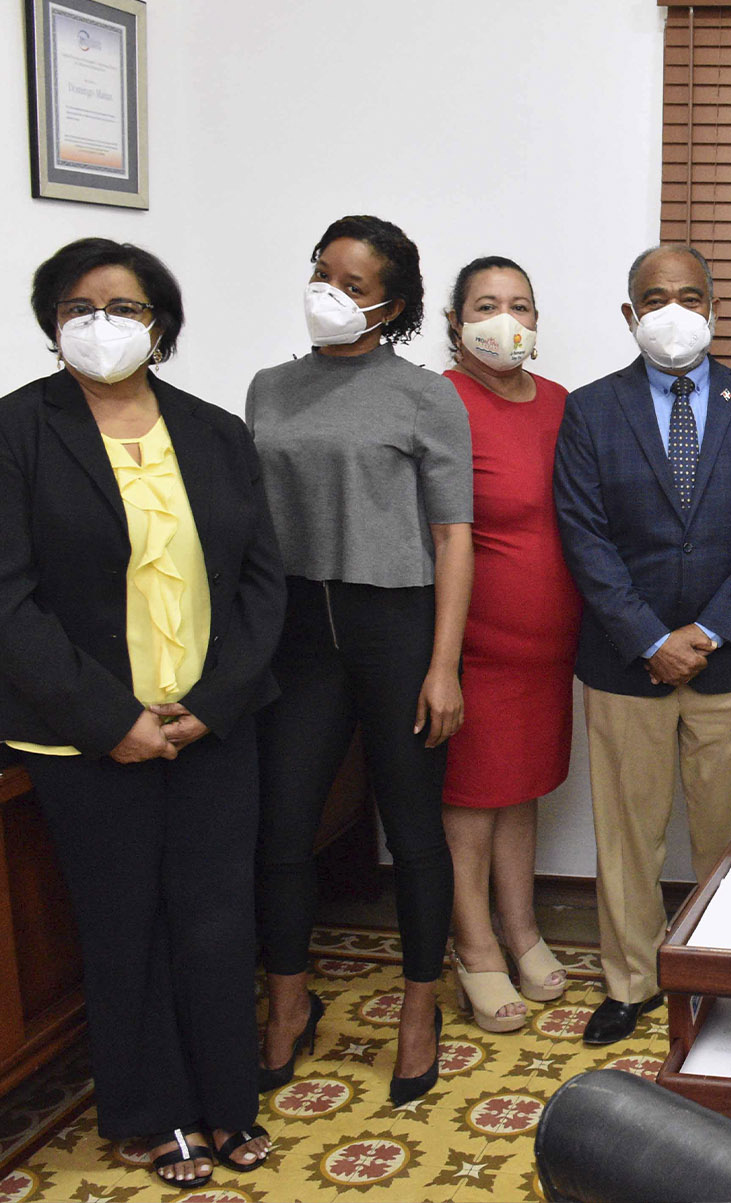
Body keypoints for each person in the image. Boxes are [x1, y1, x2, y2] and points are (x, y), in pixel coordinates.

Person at [0, 239, 284, 1186]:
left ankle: (226, 1102)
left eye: (124, 307)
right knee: (124, 921)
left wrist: (212, 702)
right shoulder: (16, 431)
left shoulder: (212, 431)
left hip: (211, 724)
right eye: (81, 306)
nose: (102, 323)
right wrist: (108, 717)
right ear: (51, 321)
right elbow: (10, 599)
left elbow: (258, 581)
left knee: (214, 915)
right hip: (83, 734)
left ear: (159, 324)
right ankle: (148, 1112)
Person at [248, 215, 473, 1105]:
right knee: (283, 825)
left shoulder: (425, 396)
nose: (329, 295)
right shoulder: (268, 388)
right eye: (320, 274)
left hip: (396, 624)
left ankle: (420, 1012)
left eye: (351, 283)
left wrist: (444, 663)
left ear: (394, 303)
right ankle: (287, 1002)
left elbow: (455, 535)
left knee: (413, 831)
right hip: (297, 627)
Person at [554, 244, 731, 1047]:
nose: (674, 311)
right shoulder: (588, 411)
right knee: (627, 834)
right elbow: (582, 536)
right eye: (655, 297)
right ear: (629, 314)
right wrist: (650, 635)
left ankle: (720, 975)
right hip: (626, 660)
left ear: (715, 309)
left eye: (690, 295)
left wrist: (709, 629)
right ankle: (632, 982)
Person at [441, 256, 579, 1033]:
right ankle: (476, 945)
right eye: (486, 304)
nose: (506, 318)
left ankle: (523, 927)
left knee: (522, 790)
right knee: (469, 802)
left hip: (549, 645)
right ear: (456, 323)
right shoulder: (442, 400)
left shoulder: (559, 402)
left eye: (520, 303)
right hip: (474, 647)